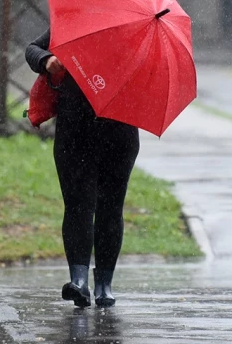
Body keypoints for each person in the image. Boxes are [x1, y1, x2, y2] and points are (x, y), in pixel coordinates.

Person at [25, 29, 140, 308]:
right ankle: (78, 282)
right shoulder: (79, 22)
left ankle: (104, 286)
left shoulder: (139, 34)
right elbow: (32, 48)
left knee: (110, 207)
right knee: (78, 205)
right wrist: (47, 60)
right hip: (74, 132)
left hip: (119, 133)